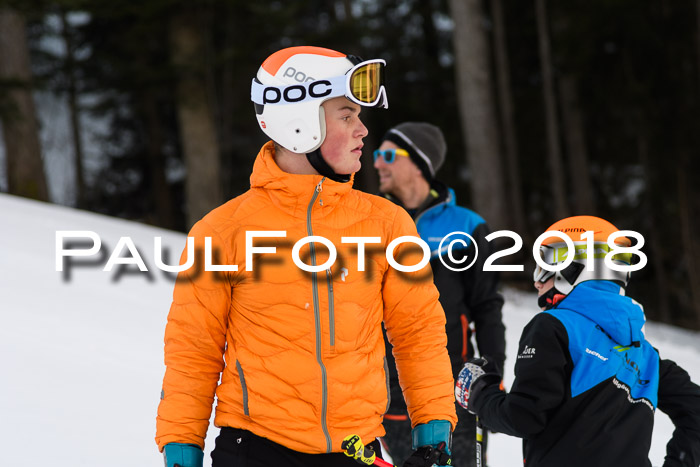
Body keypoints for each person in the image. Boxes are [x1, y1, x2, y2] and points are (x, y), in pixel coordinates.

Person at [155, 46, 457, 467]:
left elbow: (418, 334)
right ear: (299, 123)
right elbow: (193, 350)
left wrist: (434, 433)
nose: (362, 131)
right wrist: (181, 448)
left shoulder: (387, 224)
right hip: (253, 451)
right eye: (347, 115)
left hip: (356, 452)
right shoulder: (222, 232)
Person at [455, 215, 700, 467]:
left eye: (546, 264)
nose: (537, 281)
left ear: (579, 266)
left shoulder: (555, 326)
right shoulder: (647, 356)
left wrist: (479, 395)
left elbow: (524, 417)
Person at [373, 122, 506, 467]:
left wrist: (492, 374)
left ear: (419, 163)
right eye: (376, 155)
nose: (376, 163)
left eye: (387, 155)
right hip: (387, 391)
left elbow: (487, 306)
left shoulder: (467, 226)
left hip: (453, 388)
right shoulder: (372, 223)